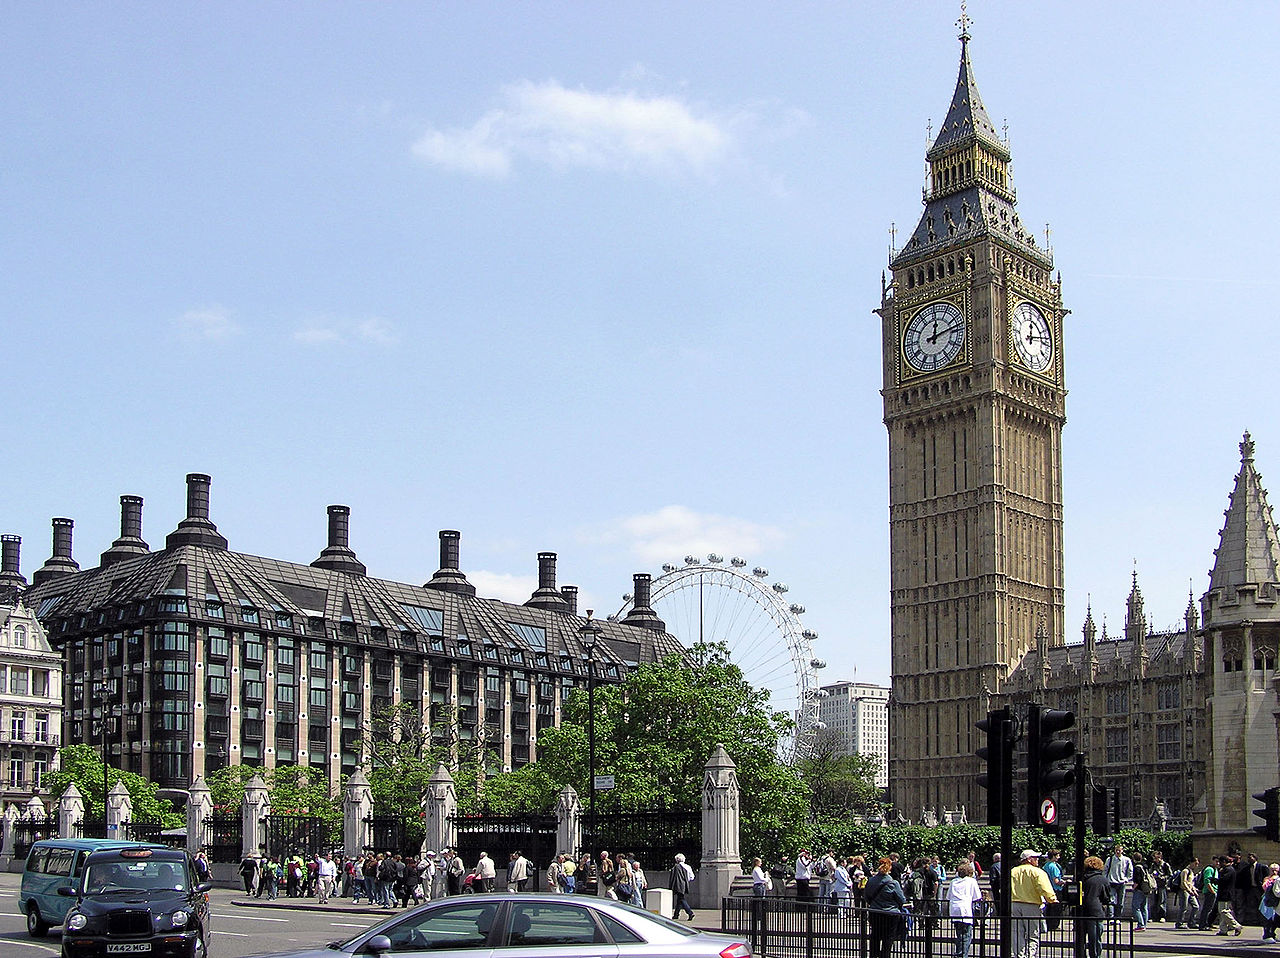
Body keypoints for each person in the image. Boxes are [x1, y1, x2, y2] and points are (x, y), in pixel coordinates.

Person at [1009, 849, 1057, 958]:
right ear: (1029, 859)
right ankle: (1031, 955)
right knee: (1033, 933)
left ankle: (1019, 955)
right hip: (1031, 904)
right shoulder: (1037, 872)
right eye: (1036, 858)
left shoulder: (1013, 871)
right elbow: (1044, 888)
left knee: (1017, 933)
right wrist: (1052, 899)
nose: (1037, 860)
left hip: (1014, 904)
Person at [863, 857, 908, 958]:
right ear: (890, 868)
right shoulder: (893, 883)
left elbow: (866, 897)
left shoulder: (871, 881)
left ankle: (873, 956)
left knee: (875, 936)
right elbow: (901, 899)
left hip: (874, 912)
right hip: (890, 913)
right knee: (888, 938)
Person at [948, 860, 985, 958]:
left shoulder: (953, 881)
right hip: (965, 910)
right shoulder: (971, 881)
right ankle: (963, 955)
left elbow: (948, 896)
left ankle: (958, 953)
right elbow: (977, 896)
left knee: (959, 934)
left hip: (954, 910)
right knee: (966, 935)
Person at [1080, 856, 1111, 958]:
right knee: (1095, 938)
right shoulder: (1102, 880)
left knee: (1080, 938)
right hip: (1096, 911)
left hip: (1081, 911)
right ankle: (1095, 955)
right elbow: (1106, 897)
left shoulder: (1081, 878)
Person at [1216, 855, 1243, 936]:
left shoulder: (1229, 870)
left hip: (1226, 893)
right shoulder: (1227, 869)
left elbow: (1223, 880)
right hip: (1225, 893)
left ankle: (1236, 925)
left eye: (1220, 862)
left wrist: (1214, 880)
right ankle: (1223, 930)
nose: (1219, 864)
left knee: (1223, 911)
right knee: (1223, 912)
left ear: (1224, 862)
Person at [1103, 844, 1132, 920]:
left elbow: (1130, 871)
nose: (1118, 852)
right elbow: (1105, 870)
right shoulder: (1110, 859)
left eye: (1119, 850)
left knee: (1120, 902)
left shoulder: (1126, 860)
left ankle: (1118, 917)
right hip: (1111, 882)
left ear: (1122, 851)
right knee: (1111, 901)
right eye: (1116, 850)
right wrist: (1105, 879)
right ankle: (1111, 917)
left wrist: (1126, 879)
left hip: (1121, 883)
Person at [1042, 849, 1065, 932]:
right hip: (1056, 889)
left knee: (1049, 908)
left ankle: (1048, 924)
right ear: (1054, 856)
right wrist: (1065, 882)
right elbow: (1056, 881)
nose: (1059, 857)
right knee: (1056, 909)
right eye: (1057, 855)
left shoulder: (1045, 866)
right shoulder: (1054, 867)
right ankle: (1054, 925)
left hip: (1048, 889)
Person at [1174, 856, 1199, 928]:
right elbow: (1183, 882)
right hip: (1184, 891)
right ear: (1191, 863)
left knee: (1196, 906)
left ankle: (1191, 922)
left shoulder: (1191, 871)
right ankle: (1179, 923)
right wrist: (1189, 890)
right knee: (1183, 907)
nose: (1196, 865)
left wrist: (1194, 890)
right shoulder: (1185, 871)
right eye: (1195, 863)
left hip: (1190, 891)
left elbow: (1191, 883)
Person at [670, 853, 695, 921]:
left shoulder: (676, 867)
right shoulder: (688, 867)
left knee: (681, 899)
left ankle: (690, 913)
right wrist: (686, 880)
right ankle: (676, 914)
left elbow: (673, 877)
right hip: (685, 884)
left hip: (678, 885)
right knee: (679, 899)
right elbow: (692, 877)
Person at [1196, 856, 1219, 930]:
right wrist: (1212, 891)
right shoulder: (1209, 869)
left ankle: (1208, 923)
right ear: (1212, 861)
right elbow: (1207, 881)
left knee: (1211, 909)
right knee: (1207, 909)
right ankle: (1203, 925)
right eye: (1216, 861)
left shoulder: (1216, 869)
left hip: (1214, 891)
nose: (1218, 863)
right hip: (1209, 892)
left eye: (1218, 862)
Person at [1149, 850, 1173, 922]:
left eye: (1157, 858)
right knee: (1153, 901)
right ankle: (1153, 916)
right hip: (1155, 885)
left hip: (1162, 885)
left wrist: (1163, 878)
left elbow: (1170, 875)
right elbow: (1150, 873)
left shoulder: (1165, 865)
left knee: (1162, 901)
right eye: (1154, 858)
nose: (1155, 860)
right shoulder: (1153, 865)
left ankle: (1162, 916)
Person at [1130, 851, 1150, 931]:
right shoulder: (1144, 866)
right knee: (1144, 907)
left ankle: (1141, 925)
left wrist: (1133, 887)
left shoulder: (1137, 868)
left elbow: (1138, 880)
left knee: (1135, 907)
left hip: (1139, 889)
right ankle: (1144, 924)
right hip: (1146, 889)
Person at [1261, 862, 1280, 941]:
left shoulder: (1278, 878)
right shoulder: (1269, 879)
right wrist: (1270, 881)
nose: (1274, 872)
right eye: (1272, 870)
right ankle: (1267, 935)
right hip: (1269, 901)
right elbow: (1265, 888)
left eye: (1276, 870)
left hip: (1276, 903)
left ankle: (1272, 934)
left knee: (1275, 919)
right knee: (1268, 918)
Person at [988, 853, 1004, 918]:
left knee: (998, 902)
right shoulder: (1006, 865)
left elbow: (993, 879)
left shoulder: (993, 867)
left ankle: (1000, 915)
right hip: (1005, 888)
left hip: (997, 888)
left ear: (995, 859)